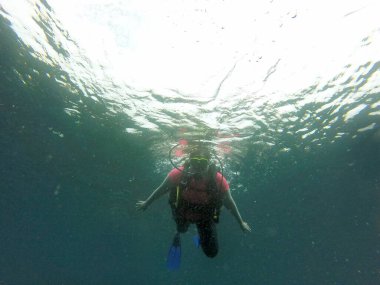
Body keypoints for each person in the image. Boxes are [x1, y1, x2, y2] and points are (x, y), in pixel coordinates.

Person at [136, 146, 251, 260]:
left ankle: (200, 233)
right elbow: (162, 189)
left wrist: (241, 222)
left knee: (212, 253)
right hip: (182, 212)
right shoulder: (178, 174)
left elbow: (229, 202)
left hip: (205, 218)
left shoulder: (218, 180)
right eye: (195, 162)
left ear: (209, 164)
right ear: (190, 162)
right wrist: (147, 202)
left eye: (203, 163)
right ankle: (184, 232)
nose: (198, 167)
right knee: (182, 229)